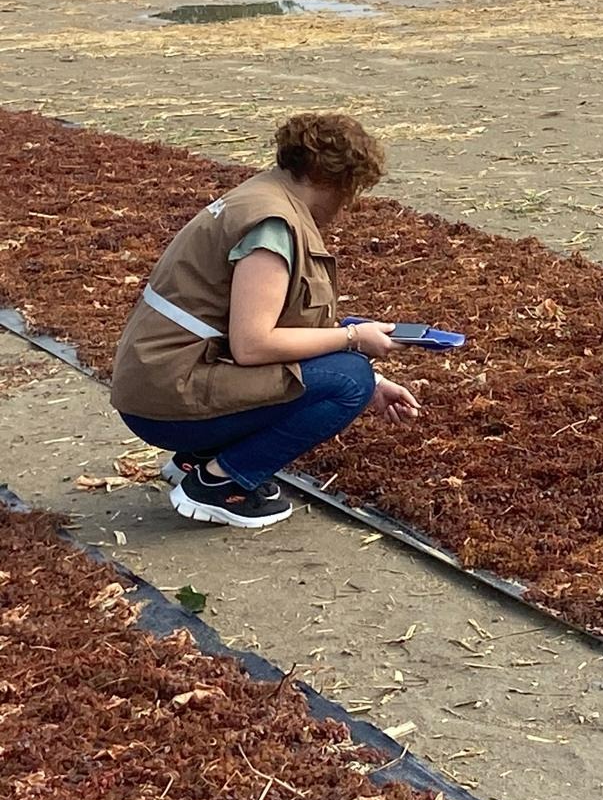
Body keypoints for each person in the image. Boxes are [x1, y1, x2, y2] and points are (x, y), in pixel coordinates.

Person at [110, 113, 421, 528]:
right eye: (352, 190)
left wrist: (375, 376)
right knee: (350, 381)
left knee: (356, 372)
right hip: (166, 399)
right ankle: (219, 484)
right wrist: (352, 339)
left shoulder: (258, 194)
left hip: (155, 381)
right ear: (333, 179)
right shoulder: (273, 227)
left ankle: (198, 460)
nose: (348, 206)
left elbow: (277, 326)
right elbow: (252, 344)